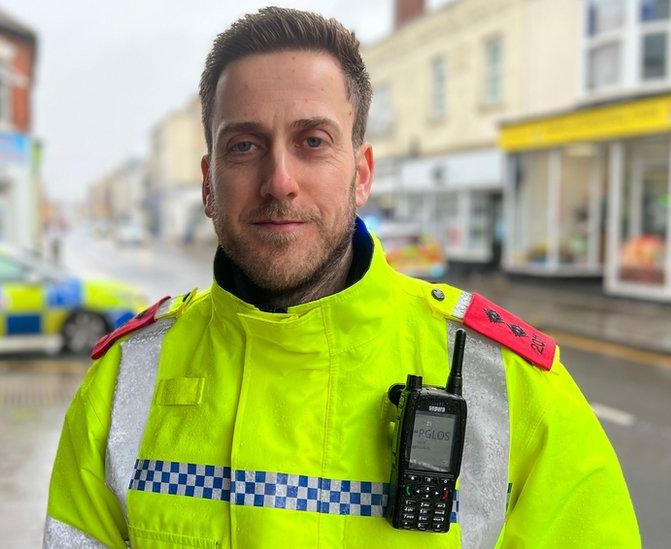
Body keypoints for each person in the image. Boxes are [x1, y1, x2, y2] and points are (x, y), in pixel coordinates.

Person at [44, 7, 640, 548]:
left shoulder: (515, 387)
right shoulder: (122, 385)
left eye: (312, 141)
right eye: (245, 145)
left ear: (361, 172)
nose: (280, 181)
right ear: (207, 182)